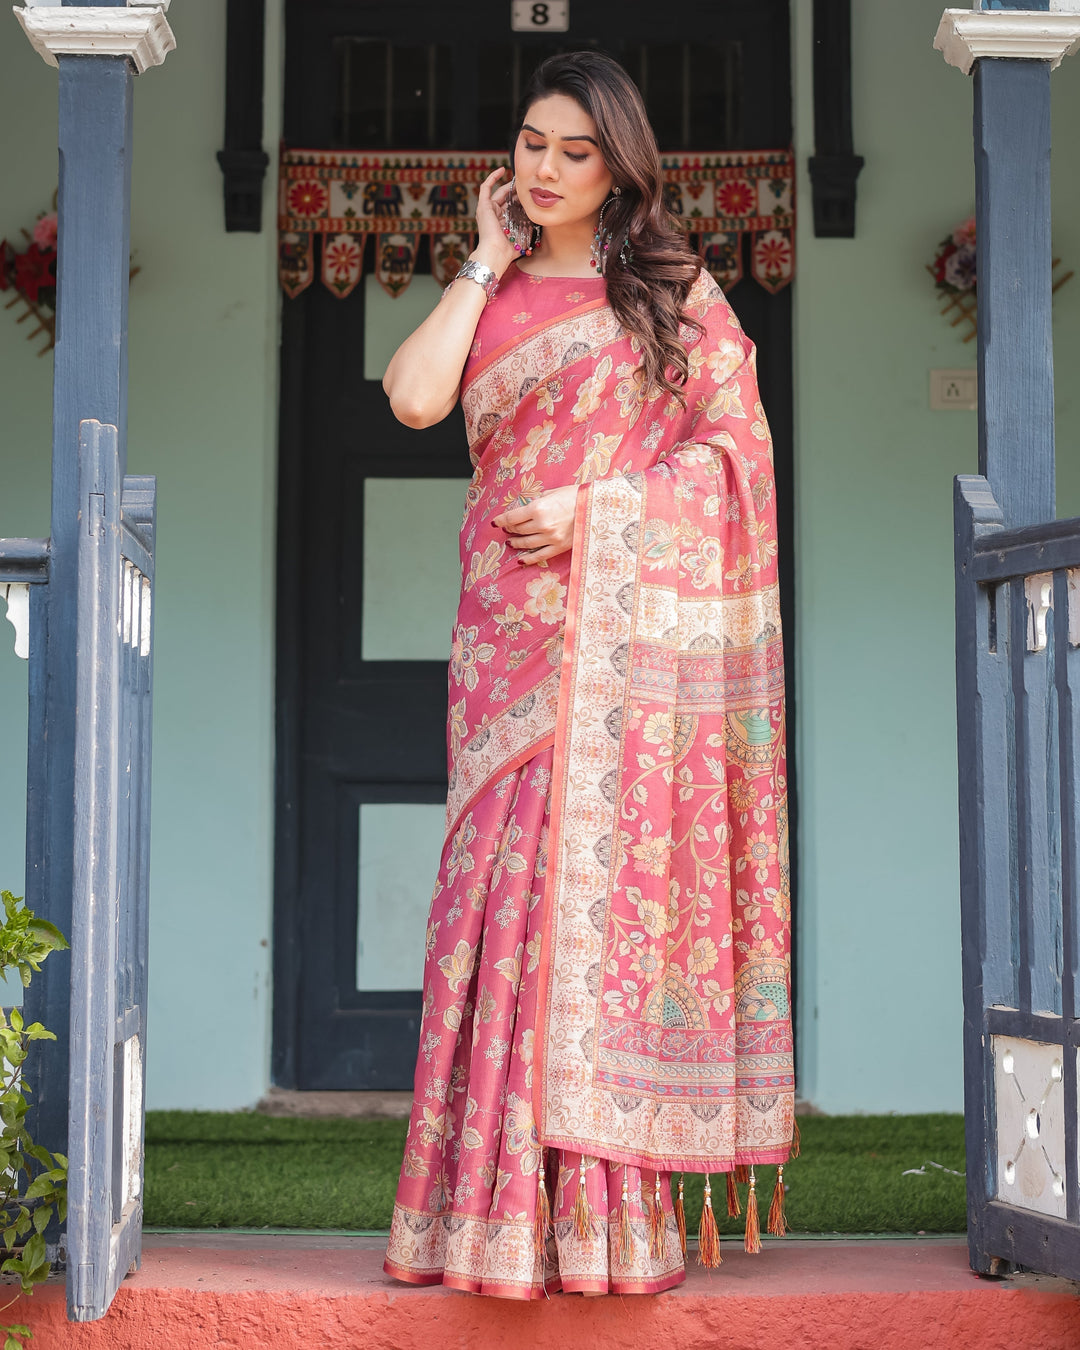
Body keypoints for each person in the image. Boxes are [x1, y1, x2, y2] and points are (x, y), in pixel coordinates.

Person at [382, 50, 794, 1300]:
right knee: (491, 901)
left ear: (619, 166)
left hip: (620, 652)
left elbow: (734, 459)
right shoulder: (493, 289)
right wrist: (480, 260)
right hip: (504, 639)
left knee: (589, 906)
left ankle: (601, 1227)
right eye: (531, 144)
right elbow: (412, 400)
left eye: (576, 152)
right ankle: (480, 1221)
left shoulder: (670, 294)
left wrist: (596, 511)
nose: (547, 169)